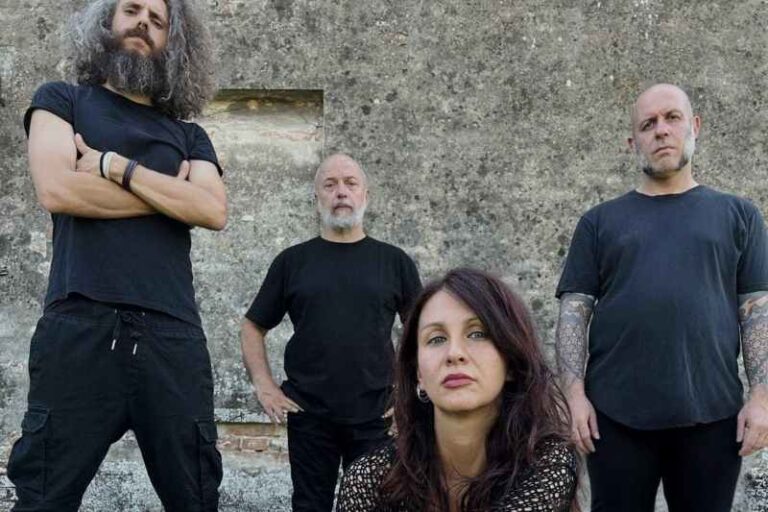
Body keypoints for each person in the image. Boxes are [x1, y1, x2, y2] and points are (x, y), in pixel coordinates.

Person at [7, 1, 226, 510]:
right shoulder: (61, 100)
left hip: (173, 336)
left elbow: (213, 210)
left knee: (196, 499)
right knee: (43, 499)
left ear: (174, 43)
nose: (143, 22)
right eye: (131, 9)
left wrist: (112, 166)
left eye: (158, 20)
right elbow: (58, 189)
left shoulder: (190, 135)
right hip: (80, 326)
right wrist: (171, 195)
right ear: (106, 21)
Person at [556, 83, 768, 511]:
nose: (661, 131)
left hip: (713, 416)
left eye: (672, 118)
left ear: (695, 126)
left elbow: (757, 313)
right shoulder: (599, 222)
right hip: (614, 417)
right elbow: (574, 313)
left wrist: (761, 399)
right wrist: (574, 397)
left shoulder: (739, 215)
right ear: (632, 142)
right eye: (648, 124)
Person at [240, 153, 422, 512]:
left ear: (365, 195)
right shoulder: (292, 262)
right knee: (310, 506)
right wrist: (264, 385)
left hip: (377, 415)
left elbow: (422, 330)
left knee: (374, 505)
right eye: (330, 184)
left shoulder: (394, 262)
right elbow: (252, 326)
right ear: (317, 198)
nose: (341, 192)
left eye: (350, 183)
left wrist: (411, 395)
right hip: (309, 415)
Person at [337, 268, 578, 512]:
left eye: (477, 334)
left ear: (511, 363)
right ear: (419, 374)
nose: (454, 353)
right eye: (436, 339)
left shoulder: (547, 463)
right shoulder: (370, 480)